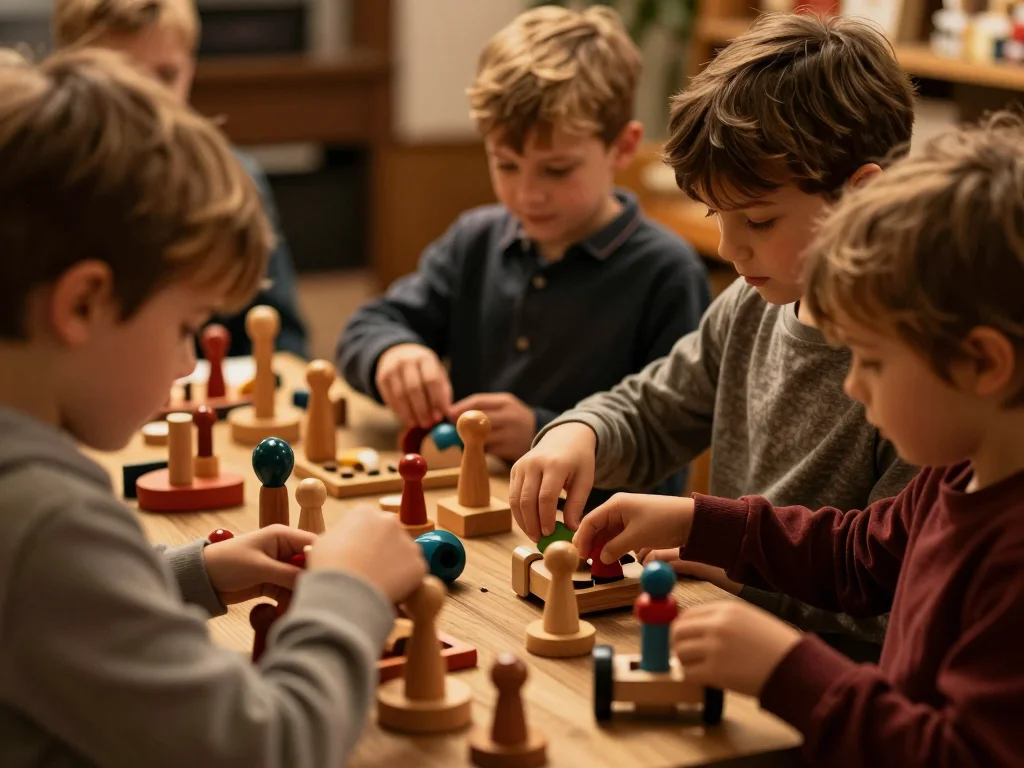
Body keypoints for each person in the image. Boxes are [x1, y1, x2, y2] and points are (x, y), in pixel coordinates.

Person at [0, 47, 424, 767]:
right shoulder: (45, 520)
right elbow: (269, 748)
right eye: (186, 326)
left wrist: (191, 572)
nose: (187, 362)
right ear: (83, 303)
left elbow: (47, 609)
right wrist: (347, 596)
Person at [573, 112, 1024, 767]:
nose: (854, 385)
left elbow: (956, 754)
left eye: (872, 361)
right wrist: (698, 522)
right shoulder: (959, 471)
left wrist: (789, 668)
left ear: (982, 363)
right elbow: (859, 558)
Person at [510, 12, 920, 660]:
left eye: (757, 219)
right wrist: (579, 433)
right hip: (725, 638)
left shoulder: (921, 371)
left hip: (826, 680)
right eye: (716, 214)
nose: (729, 247)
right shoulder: (750, 306)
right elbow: (654, 411)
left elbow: (896, 590)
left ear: (861, 196)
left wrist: (740, 571)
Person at [336, 5, 710, 507]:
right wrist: (393, 354)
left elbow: (665, 466)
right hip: (473, 506)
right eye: (506, 165)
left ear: (622, 148)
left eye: (557, 170)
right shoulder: (477, 239)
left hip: (585, 533)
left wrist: (541, 430)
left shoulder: (667, 272)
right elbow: (365, 328)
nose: (528, 194)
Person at [53, 0, 309, 358]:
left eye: (166, 75)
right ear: (71, 71)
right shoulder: (42, 180)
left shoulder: (230, 183)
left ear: (190, 68)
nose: (152, 100)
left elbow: (282, 341)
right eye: (125, 77)